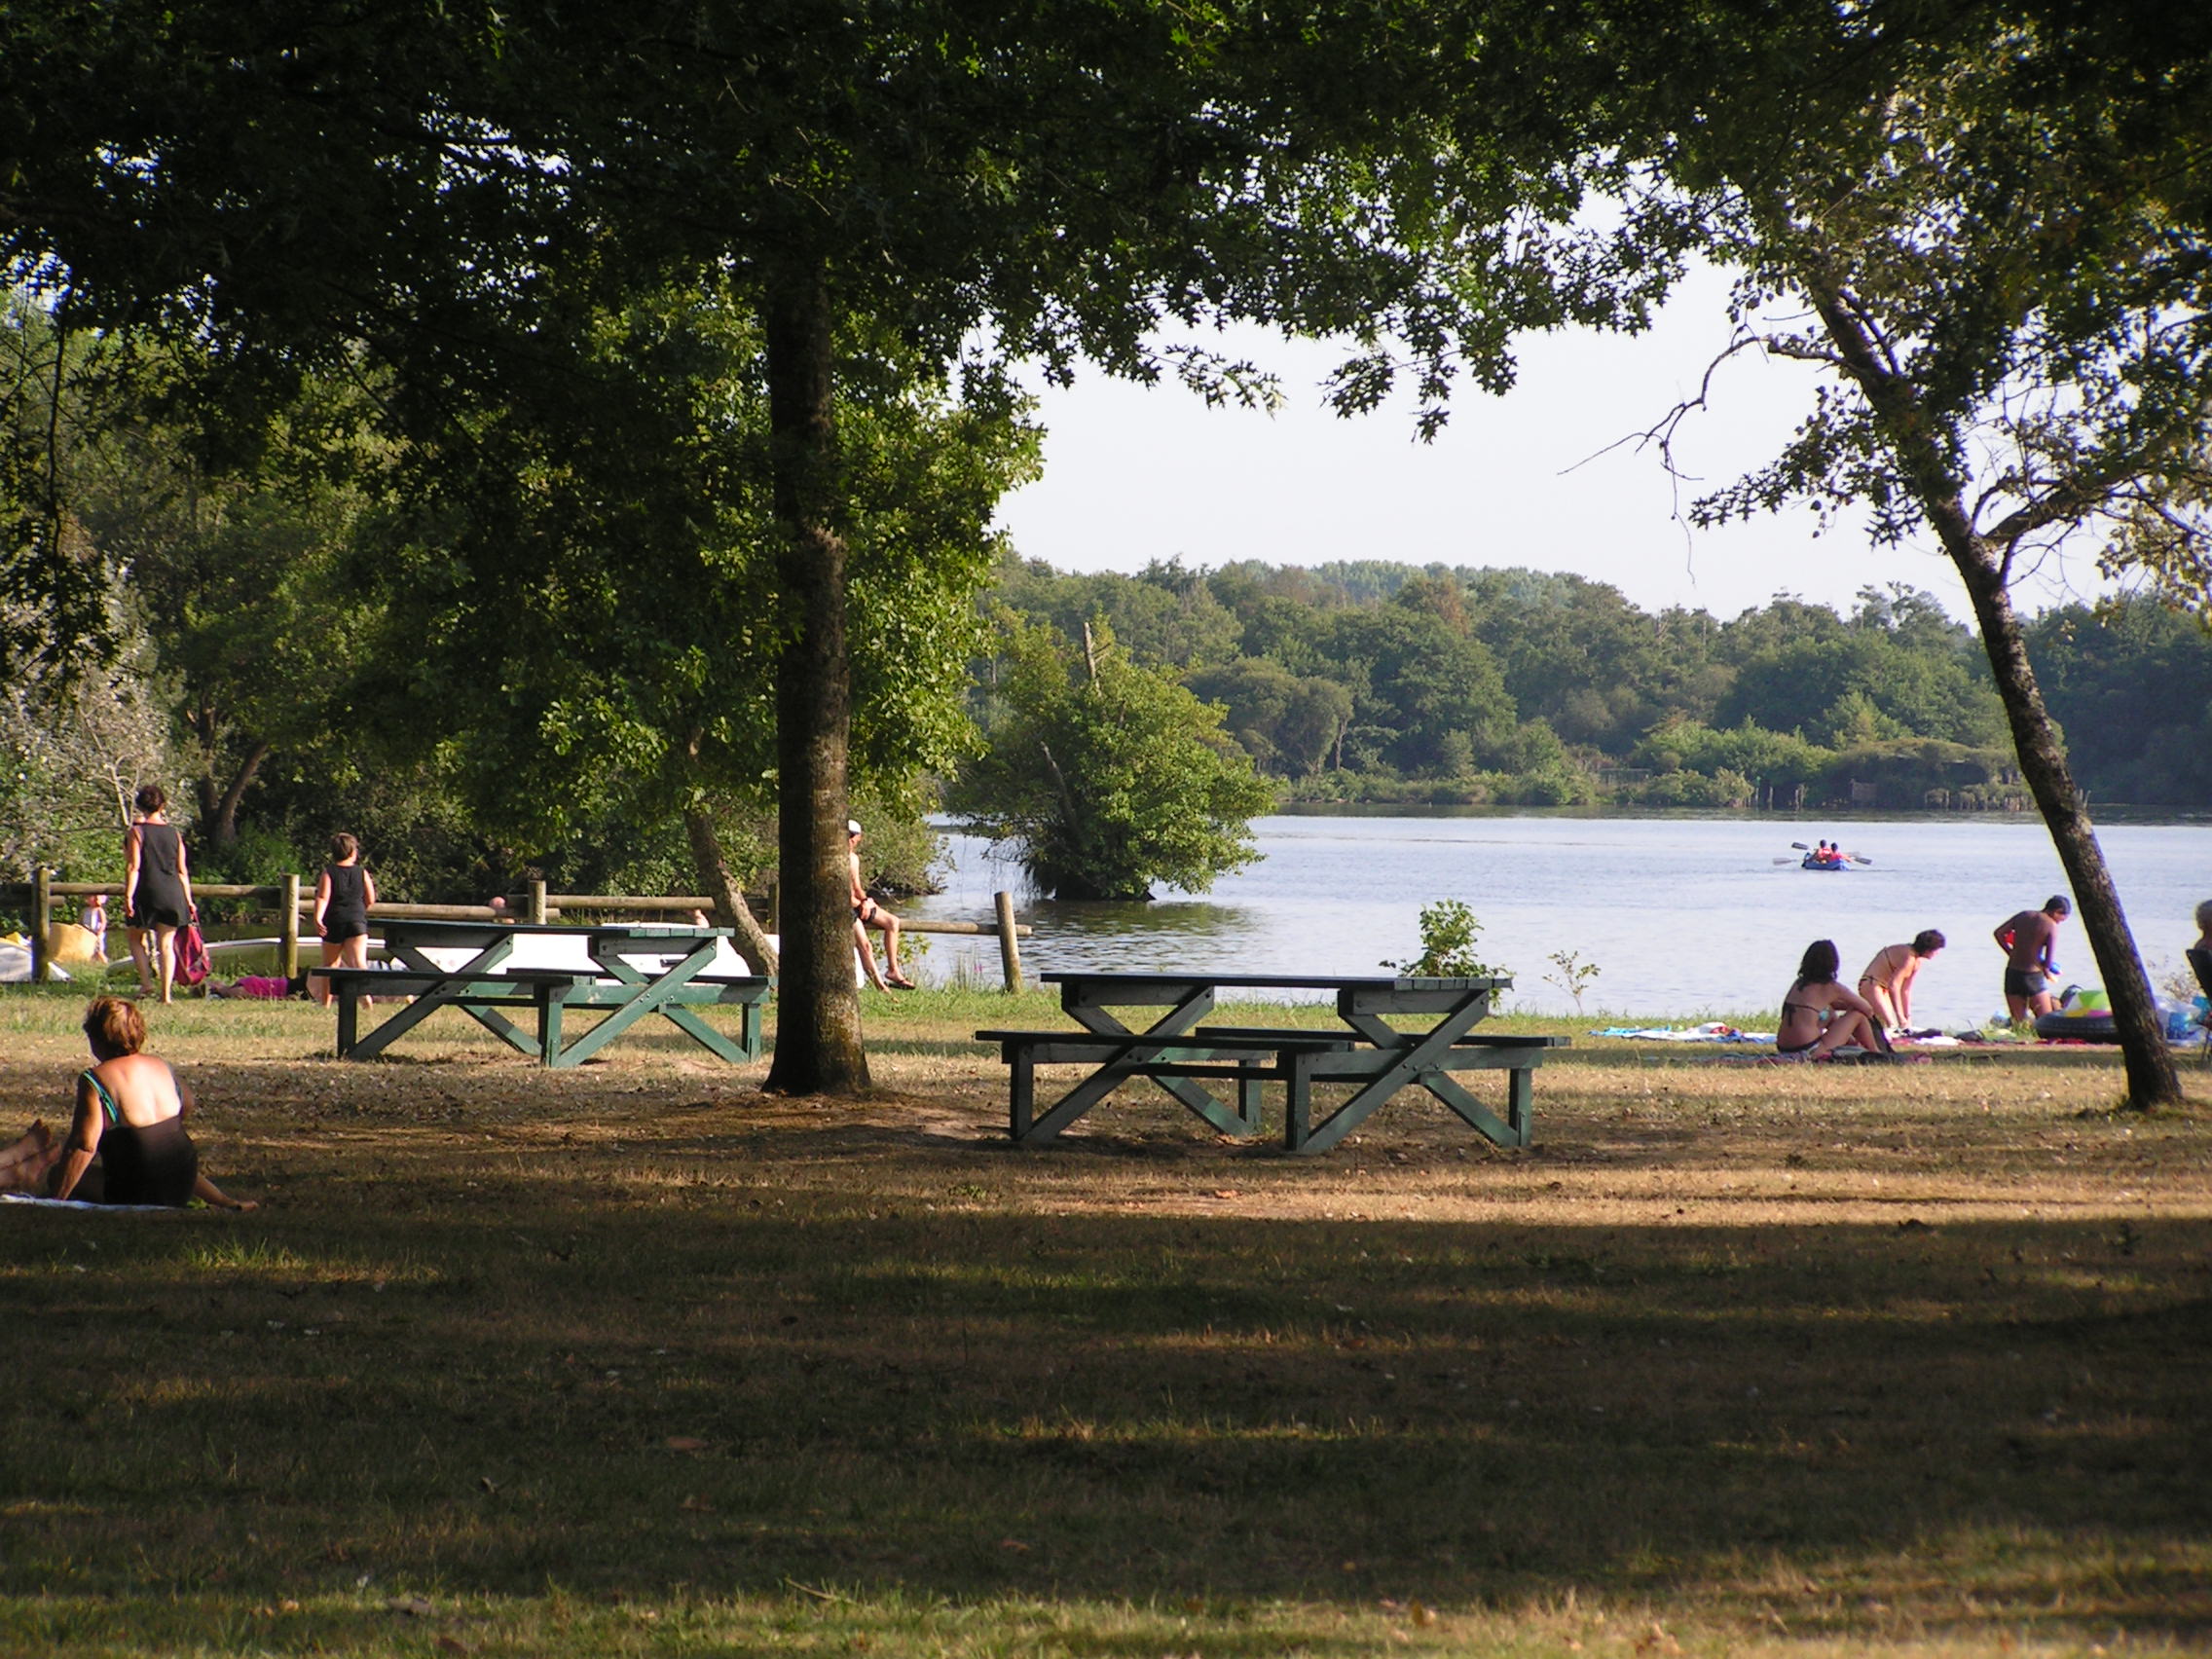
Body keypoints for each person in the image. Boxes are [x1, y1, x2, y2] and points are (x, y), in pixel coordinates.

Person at [0, 997, 254, 1208]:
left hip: (137, 1191)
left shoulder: (96, 1078)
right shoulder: (161, 1066)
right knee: (161, 1151)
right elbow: (185, 1107)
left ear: (96, 1040)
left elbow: (84, 1145)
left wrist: (57, 1200)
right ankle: (222, 1200)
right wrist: (224, 1200)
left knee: (59, 1174)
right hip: (181, 1183)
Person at [123, 784, 195, 1004]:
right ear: (163, 805)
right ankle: (166, 995)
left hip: (147, 891)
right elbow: (182, 870)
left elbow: (133, 866)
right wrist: (189, 900)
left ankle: (146, 984)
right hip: (172, 891)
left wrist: (128, 896)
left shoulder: (137, 832)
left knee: (135, 938)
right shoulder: (174, 834)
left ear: (139, 806)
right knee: (166, 943)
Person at [1776, 940, 1895, 1057]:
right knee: (1857, 1014)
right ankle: (1874, 1051)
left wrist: (1845, 1006)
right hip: (1810, 1049)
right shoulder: (1832, 987)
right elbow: (1867, 1009)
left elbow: (1822, 1005)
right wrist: (1852, 1007)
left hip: (1784, 1047)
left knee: (1829, 1011)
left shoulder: (1798, 984)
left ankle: (1853, 1043)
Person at [309, 832, 379, 1007]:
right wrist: (360, 911)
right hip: (357, 921)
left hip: (334, 921)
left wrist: (318, 918)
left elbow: (323, 897)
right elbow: (370, 898)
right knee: (358, 962)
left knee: (330, 965)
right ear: (353, 852)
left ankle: (325, 1002)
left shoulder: (329, 872)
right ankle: (365, 997)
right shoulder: (362, 872)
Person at [848, 820, 914, 990]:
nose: (849, 840)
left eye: (852, 836)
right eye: (846, 836)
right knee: (865, 945)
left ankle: (893, 970)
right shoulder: (835, 858)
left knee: (893, 922)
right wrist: (860, 904)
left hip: (857, 903)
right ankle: (879, 986)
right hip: (846, 906)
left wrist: (866, 901)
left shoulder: (854, 859)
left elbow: (856, 887)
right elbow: (843, 894)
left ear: (859, 838)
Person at [1994, 895, 2070, 1024]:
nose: (2059, 923)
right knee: (2047, 1022)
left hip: (2012, 974)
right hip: (2032, 977)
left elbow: (1998, 933)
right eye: (2060, 920)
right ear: (2056, 911)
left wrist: (2010, 952)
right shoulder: (2051, 925)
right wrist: (2048, 972)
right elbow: (2048, 961)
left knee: (2018, 1024)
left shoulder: (2023, 915)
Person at [1858, 929, 1945, 1036]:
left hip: (1883, 988)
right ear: (1928, 949)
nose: (1937, 953)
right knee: (1890, 1024)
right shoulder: (1908, 957)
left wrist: (1907, 1017)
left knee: (1900, 1027)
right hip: (1872, 985)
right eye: (1936, 950)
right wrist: (1899, 1016)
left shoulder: (1916, 961)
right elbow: (1894, 986)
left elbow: (1905, 990)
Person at [79, 893, 109, 958]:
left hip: (96, 932)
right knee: (89, 948)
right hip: (87, 932)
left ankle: (105, 961)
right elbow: (80, 922)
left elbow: (103, 922)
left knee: (98, 949)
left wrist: (100, 931)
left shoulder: (99, 910)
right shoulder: (85, 910)